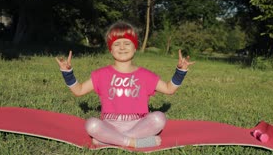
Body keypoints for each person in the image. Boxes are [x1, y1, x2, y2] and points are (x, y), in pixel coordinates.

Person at [55, 22, 194, 148]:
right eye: (116, 44)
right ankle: (133, 142)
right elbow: (78, 91)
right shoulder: (101, 74)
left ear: (135, 48)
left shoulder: (145, 75)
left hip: (138, 124)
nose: (122, 47)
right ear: (110, 50)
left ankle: (109, 141)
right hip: (110, 124)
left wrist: (180, 71)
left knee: (159, 118)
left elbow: (169, 89)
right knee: (91, 124)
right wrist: (67, 73)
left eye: (127, 43)